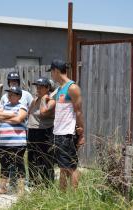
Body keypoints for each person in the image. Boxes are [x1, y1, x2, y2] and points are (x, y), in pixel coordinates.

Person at [47, 59, 85, 190]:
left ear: (56, 71)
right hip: (58, 132)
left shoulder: (72, 87)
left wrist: (81, 134)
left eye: (51, 72)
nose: (51, 75)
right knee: (62, 167)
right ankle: (62, 195)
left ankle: (74, 196)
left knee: (71, 167)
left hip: (68, 133)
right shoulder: (59, 89)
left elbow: (78, 111)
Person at [0, 86, 28, 195]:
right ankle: (2, 188)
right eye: (9, 94)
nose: (9, 96)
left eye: (12, 94)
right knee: (4, 165)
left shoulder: (22, 106)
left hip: (17, 142)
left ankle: (21, 190)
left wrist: (4, 117)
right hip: (3, 142)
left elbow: (19, 119)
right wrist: (11, 114)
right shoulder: (5, 105)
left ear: (18, 96)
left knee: (19, 164)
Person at [0, 71, 33, 190]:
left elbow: (25, 114)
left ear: (19, 82)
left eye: (16, 81)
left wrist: (8, 117)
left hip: (20, 133)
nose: (13, 83)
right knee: (6, 162)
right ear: (8, 82)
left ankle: (21, 188)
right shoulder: (4, 97)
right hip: (5, 137)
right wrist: (12, 116)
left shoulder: (26, 95)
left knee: (18, 162)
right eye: (11, 81)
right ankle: (9, 185)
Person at [27, 77, 56, 187]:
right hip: (32, 131)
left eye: (41, 87)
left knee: (45, 159)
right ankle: (33, 182)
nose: (38, 89)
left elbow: (43, 113)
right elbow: (29, 112)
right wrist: (37, 100)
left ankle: (47, 184)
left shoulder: (50, 100)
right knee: (32, 158)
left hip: (44, 132)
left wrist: (44, 98)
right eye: (37, 87)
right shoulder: (35, 99)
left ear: (47, 88)